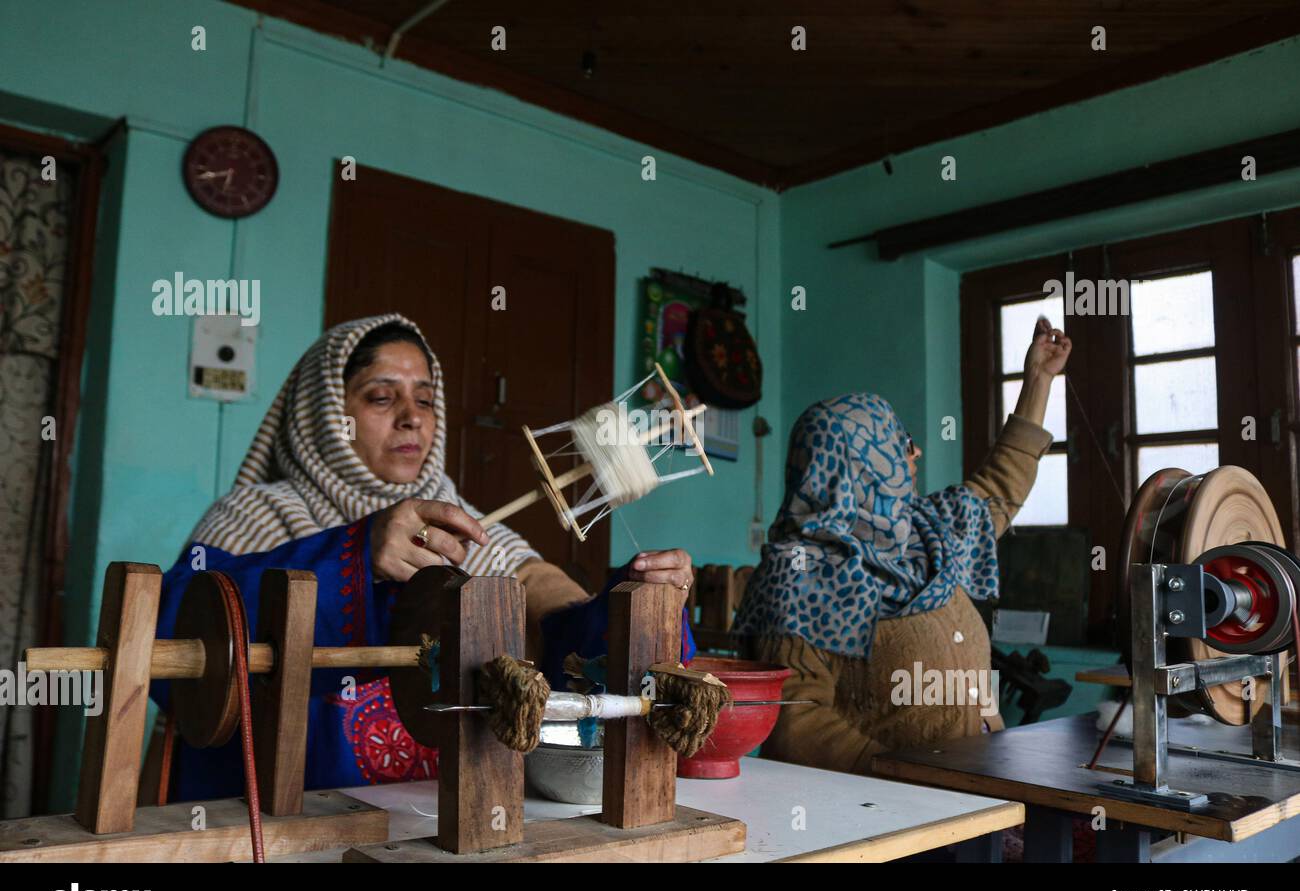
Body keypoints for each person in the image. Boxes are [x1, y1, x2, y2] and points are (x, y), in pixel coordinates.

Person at [150, 313, 694, 798]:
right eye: (382, 397)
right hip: (283, 829)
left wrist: (633, 599)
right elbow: (170, 644)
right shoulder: (256, 515)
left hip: (433, 829)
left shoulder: (460, 524)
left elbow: (543, 604)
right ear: (323, 414)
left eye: (427, 400)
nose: (412, 418)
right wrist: (357, 556)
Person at [733, 317, 1071, 774]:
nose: (915, 454)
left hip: (972, 789)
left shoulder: (927, 532)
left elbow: (999, 486)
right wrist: (908, 776)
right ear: (858, 464)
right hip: (892, 820)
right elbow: (796, 721)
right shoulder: (797, 579)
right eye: (899, 444)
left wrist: (1039, 381)